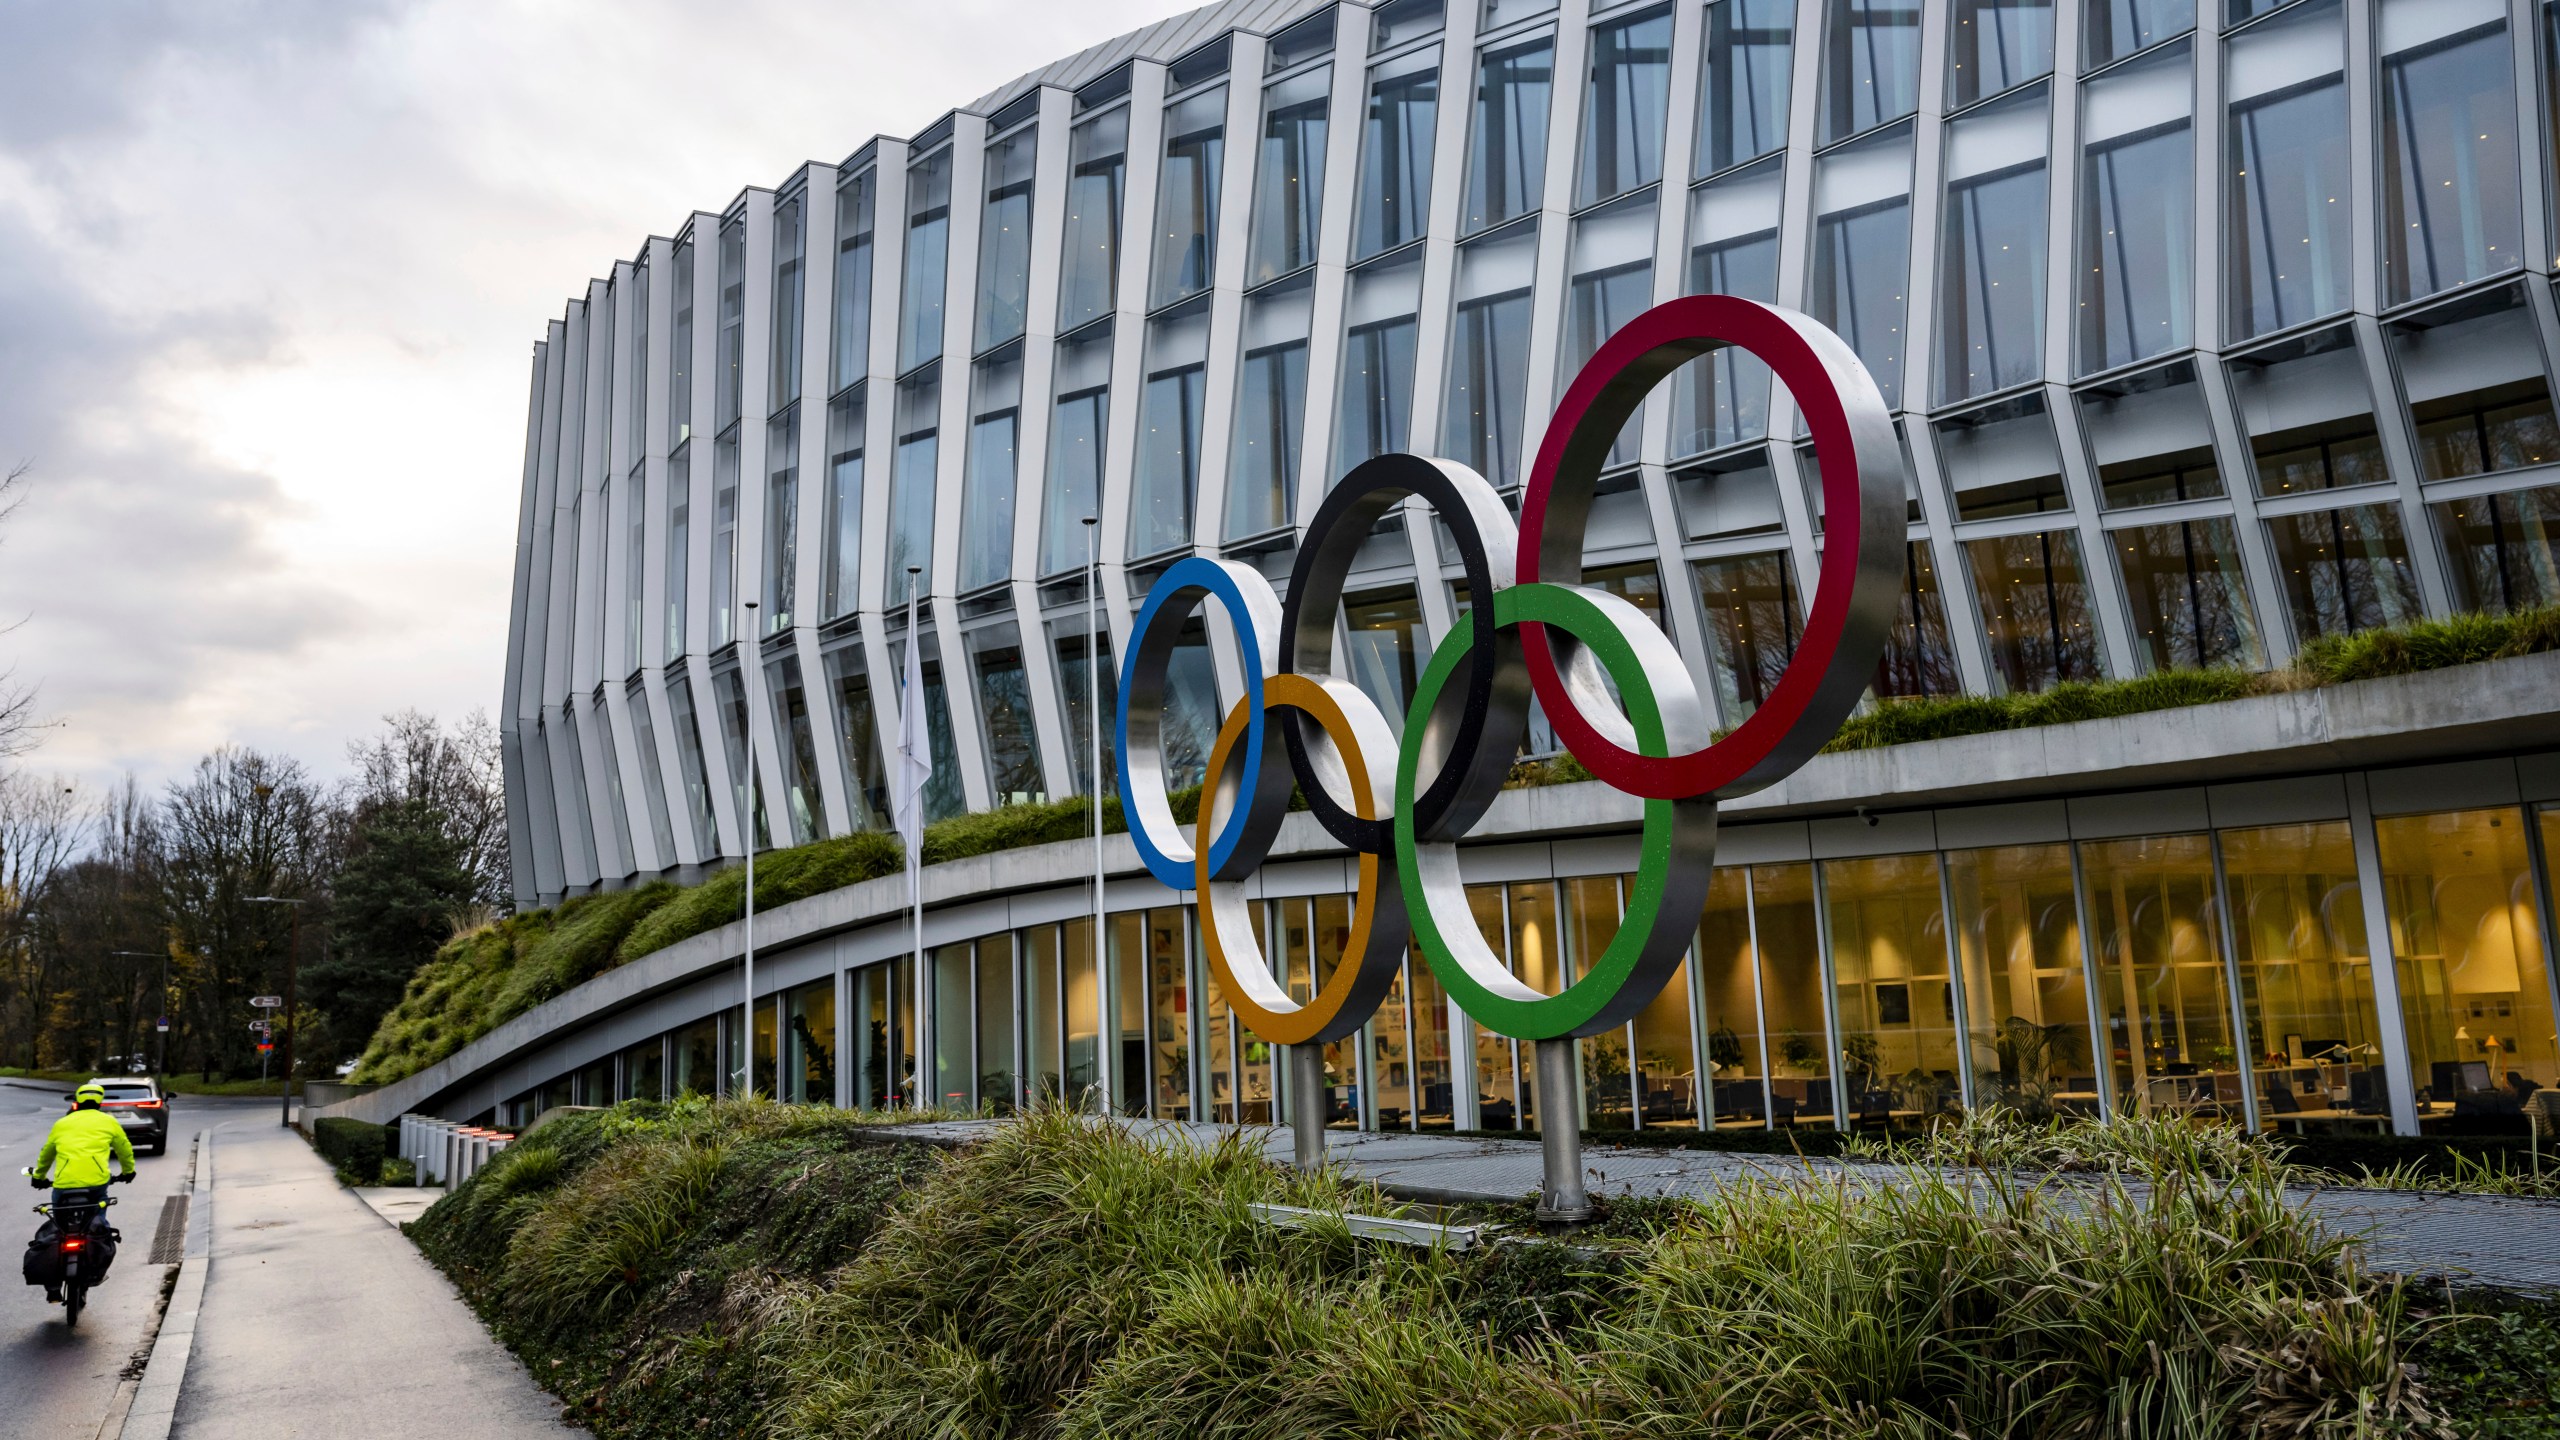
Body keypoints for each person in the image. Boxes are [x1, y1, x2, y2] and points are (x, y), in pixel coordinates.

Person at [28, 1082, 136, 1303]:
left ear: (76, 1100)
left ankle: (53, 1285)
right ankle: (94, 1268)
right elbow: (124, 1148)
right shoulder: (108, 1121)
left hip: (64, 1185)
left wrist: (38, 1177)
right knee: (97, 1225)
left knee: (59, 1228)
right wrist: (128, 1172)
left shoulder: (63, 1123)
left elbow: (47, 1153)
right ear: (100, 1101)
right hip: (96, 1185)